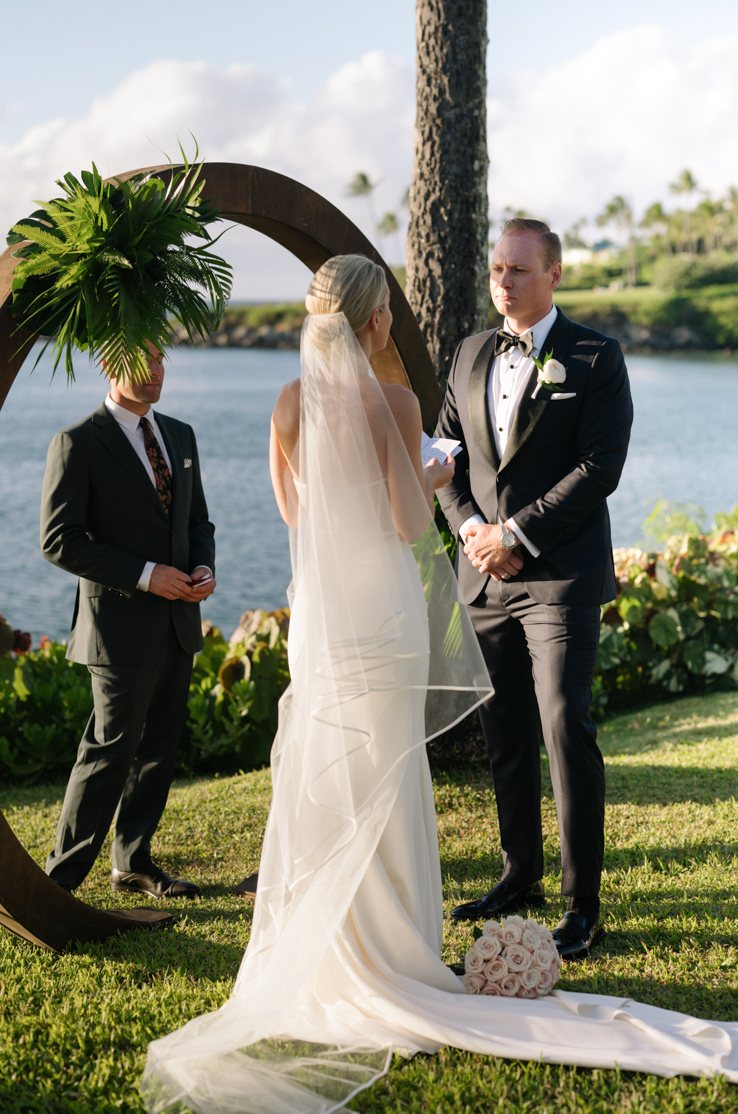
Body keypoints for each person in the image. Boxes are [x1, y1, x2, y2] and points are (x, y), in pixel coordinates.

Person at [141, 256, 738, 1114]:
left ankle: (330, 951)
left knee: (332, 766)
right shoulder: (393, 403)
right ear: (376, 322)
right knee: (387, 769)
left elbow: (294, 514)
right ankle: (395, 949)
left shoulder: (285, 405)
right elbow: (401, 517)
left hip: (321, 616)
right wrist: (431, 477)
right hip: (381, 613)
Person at [434, 217, 633, 958]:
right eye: (496, 269)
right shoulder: (467, 352)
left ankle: (584, 904)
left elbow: (599, 467)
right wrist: (471, 533)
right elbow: (441, 456)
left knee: (564, 728)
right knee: (505, 736)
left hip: (558, 578)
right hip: (483, 576)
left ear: (554, 275)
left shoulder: (594, 356)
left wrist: (515, 534)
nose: (503, 282)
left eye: (519, 270)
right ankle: (520, 873)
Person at [41, 344, 216, 899]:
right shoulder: (77, 443)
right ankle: (58, 883)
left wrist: (202, 567)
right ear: (108, 365)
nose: (156, 371)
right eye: (142, 361)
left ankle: (132, 863)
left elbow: (197, 521)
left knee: (160, 747)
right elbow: (58, 540)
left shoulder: (180, 436)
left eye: (161, 359)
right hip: (116, 628)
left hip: (178, 621)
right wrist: (145, 575)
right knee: (108, 751)